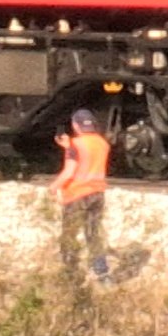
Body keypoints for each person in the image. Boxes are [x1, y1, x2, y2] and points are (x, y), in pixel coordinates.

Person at [53, 107, 112, 283]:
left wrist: (53, 187)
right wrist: (67, 146)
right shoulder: (102, 143)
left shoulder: (75, 145)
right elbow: (89, 158)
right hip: (97, 194)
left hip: (77, 195)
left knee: (69, 234)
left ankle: (69, 272)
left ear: (75, 126)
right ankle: (102, 274)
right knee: (93, 233)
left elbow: (70, 171)